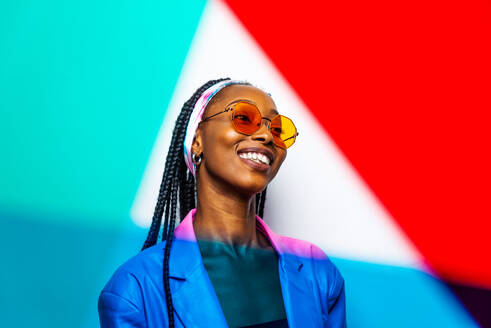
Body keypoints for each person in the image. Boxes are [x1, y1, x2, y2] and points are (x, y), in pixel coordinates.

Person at [98, 78, 347, 327]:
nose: (266, 136)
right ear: (197, 141)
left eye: (277, 130)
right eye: (244, 118)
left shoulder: (317, 270)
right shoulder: (135, 289)